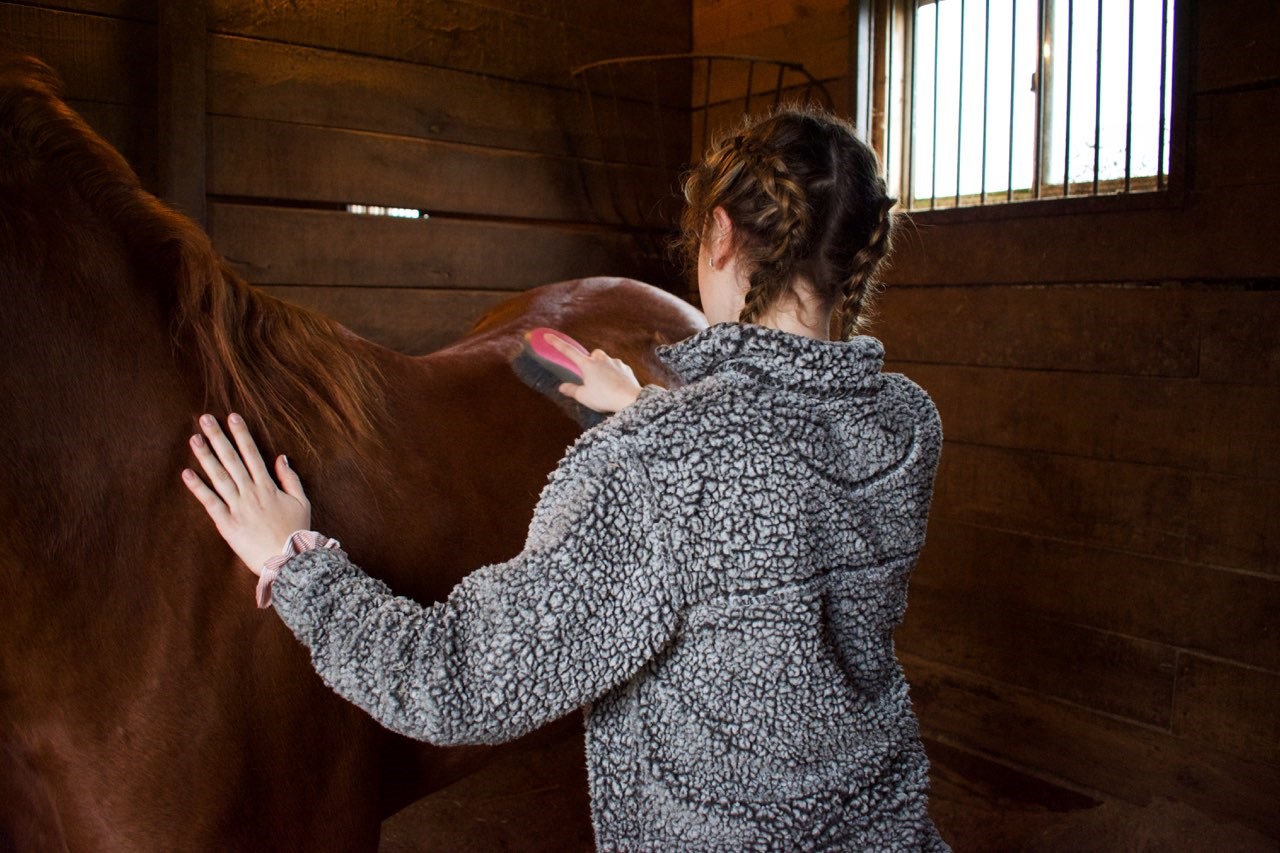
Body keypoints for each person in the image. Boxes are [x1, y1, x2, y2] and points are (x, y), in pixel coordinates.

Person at [182, 104, 947, 851]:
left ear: (720, 234)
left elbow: (459, 682)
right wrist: (650, 410)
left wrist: (295, 564)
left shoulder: (662, 463)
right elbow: (772, 484)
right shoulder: (905, 423)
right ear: (863, 251)